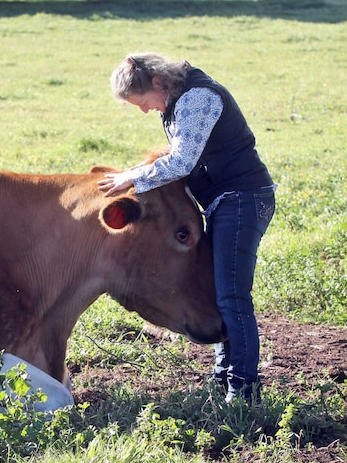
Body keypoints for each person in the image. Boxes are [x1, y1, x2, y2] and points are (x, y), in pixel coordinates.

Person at [98, 52, 276, 402]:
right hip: (227, 201)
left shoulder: (198, 98)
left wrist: (131, 178)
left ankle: (243, 390)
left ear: (158, 84)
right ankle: (225, 379)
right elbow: (173, 154)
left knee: (231, 296)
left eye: (143, 102)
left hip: (241, 199)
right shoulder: (179, 100)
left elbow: (181, 161)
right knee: (221, 291)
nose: (144, 110)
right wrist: (132, 175)